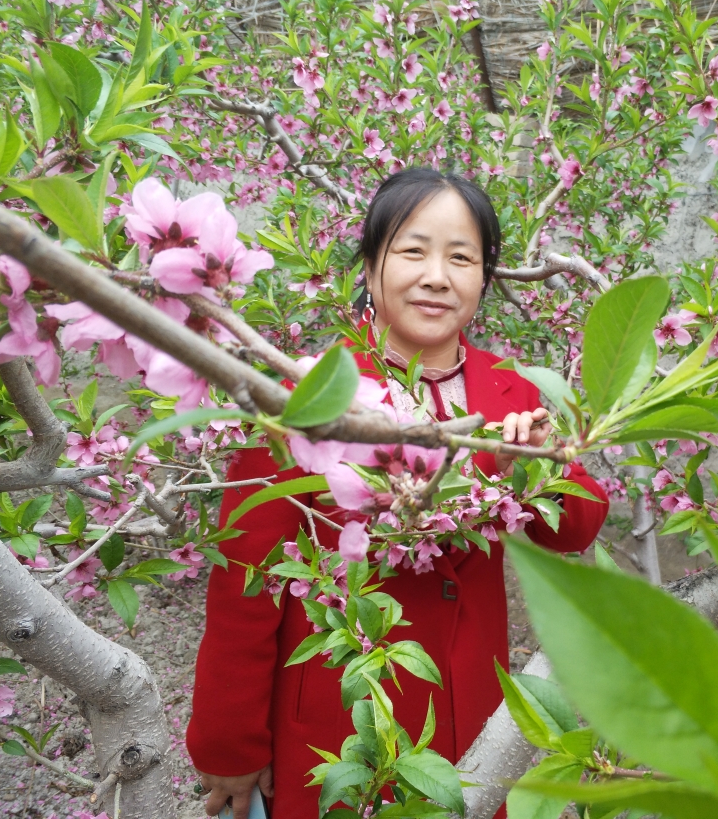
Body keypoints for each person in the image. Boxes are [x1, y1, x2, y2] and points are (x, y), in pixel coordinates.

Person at [187, 168, 609, 818]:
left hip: (467, 709)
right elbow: (248, 575)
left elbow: (576, 527)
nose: (437, 276)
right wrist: (230, 745)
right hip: (340, 713)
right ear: (372, 263)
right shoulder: (311, 390)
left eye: (462, 257)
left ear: (485, 280)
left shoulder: (512, 390)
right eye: (413, 251)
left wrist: (537, 461)